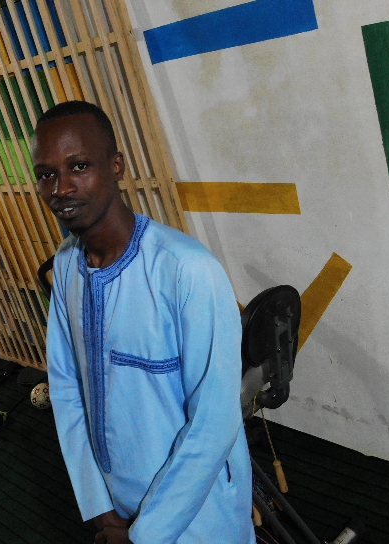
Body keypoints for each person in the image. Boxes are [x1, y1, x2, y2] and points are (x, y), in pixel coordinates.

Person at [34, 101, 255, 544]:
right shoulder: (68, 266)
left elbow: (214, 421)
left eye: (79, 166)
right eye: (46, 174)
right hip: (115, 508)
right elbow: (66, 388)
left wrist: (145, 535)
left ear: (116, 166)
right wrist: (99, 508)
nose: (61, 188)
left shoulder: (187, 270)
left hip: (200, 517)